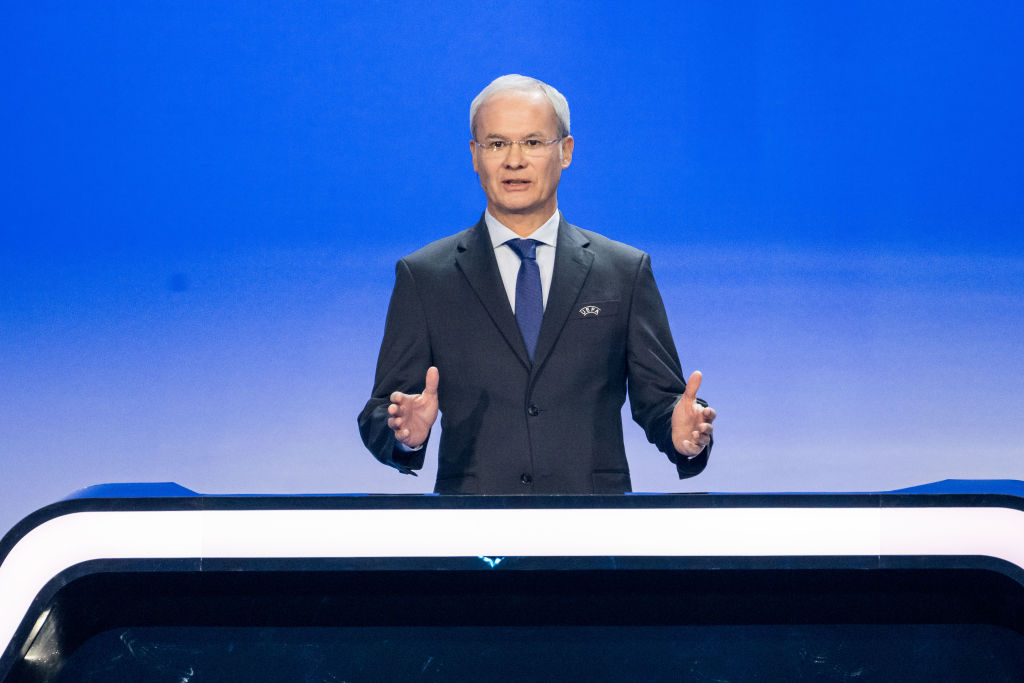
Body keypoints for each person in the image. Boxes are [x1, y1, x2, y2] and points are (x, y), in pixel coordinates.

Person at [357, 74, 715, 494]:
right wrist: (403, 433)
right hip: (474, 526)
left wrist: (684, 433)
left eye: (532, 142)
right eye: (496, 144)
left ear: (565, 151)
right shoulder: (425, 276)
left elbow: (664, 403)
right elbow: (382, 411)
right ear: (475, 155)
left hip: (593, 529)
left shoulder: (624, 271)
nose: (514, 160)